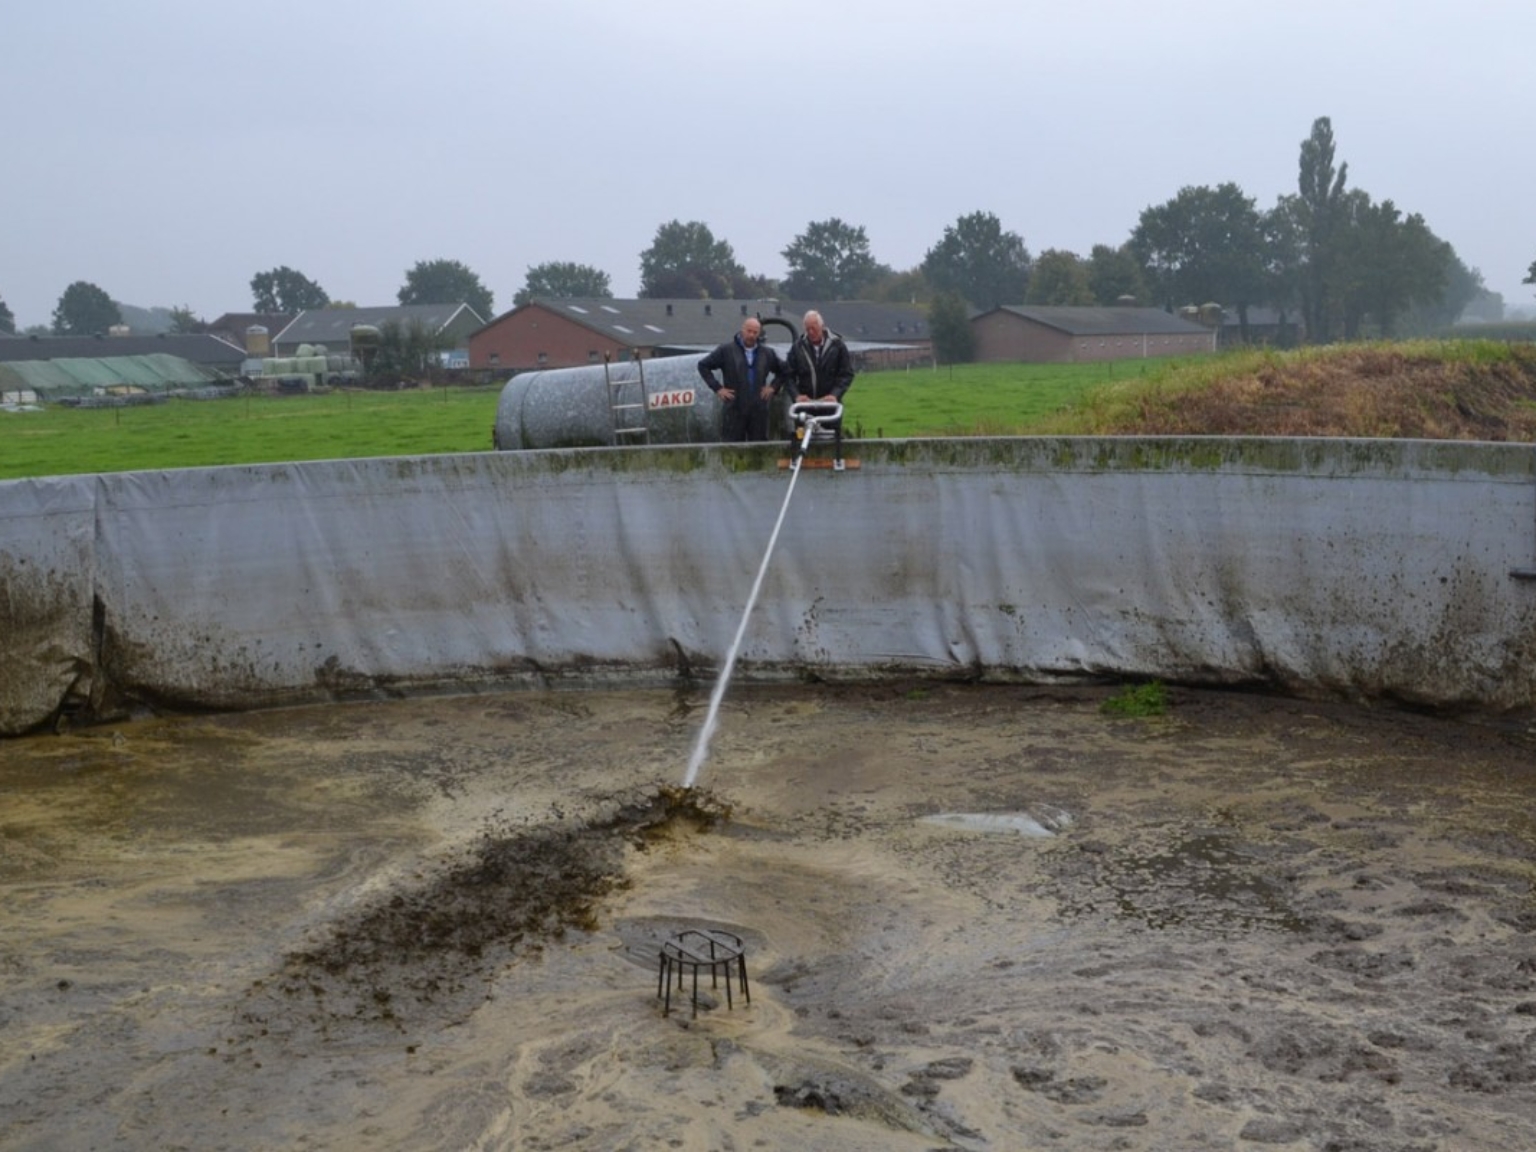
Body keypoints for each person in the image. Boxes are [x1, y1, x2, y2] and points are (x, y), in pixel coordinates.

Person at [697, 317, 785, 442]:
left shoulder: (767, 353)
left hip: (758, 411)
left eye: (755, 332)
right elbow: (703, 366)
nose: (751, 335)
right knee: (732, 450)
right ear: (742, 330)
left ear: (759, 333)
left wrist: (773, 387)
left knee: (758, 450)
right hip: (734, 410)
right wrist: (718, 388)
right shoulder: (726, 350)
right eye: (749, 331)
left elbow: (785, 370)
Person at [781, 309, 855, 447]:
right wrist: (796, 396)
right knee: (802, 439)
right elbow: (788, 376)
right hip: (804, 407)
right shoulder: (797, 347)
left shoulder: (837, 346)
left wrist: (835, 395)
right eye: (807, 329)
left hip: (829, 407)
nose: (810, 332)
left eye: (813, 328)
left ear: (822, 326)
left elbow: (846, 374)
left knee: (831, 442)